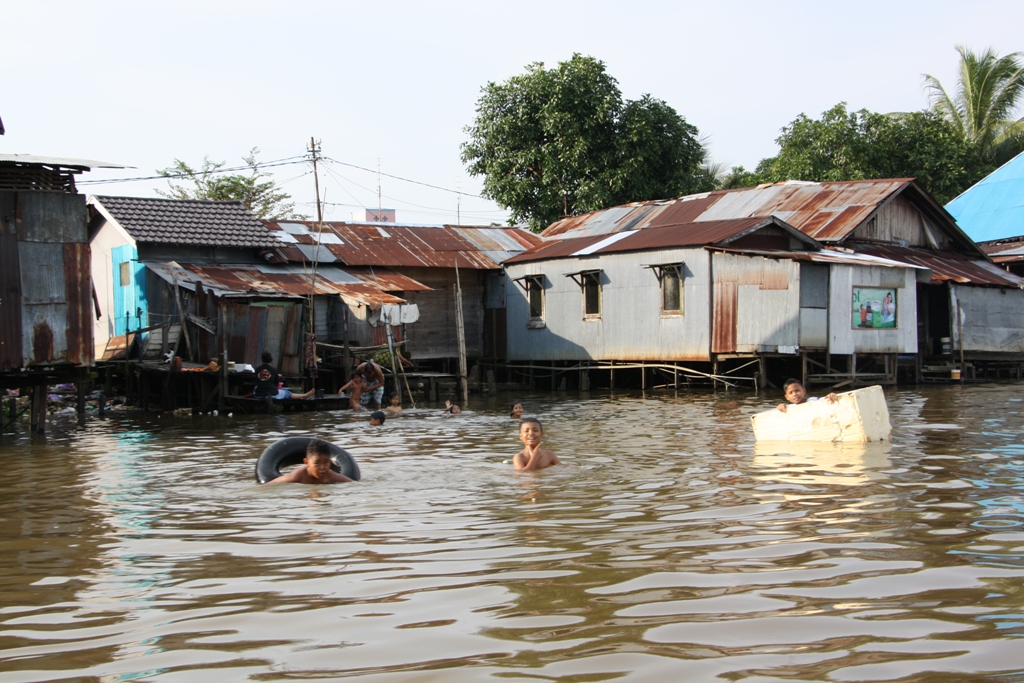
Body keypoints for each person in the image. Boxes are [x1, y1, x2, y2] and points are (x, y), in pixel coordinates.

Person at [267, 438, 354, 485]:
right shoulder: (298, 476)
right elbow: (271, 484)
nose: (322, 467)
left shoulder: (330, 476)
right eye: (317, 463)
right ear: (306, 463)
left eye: (326, 462)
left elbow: (352, 483)